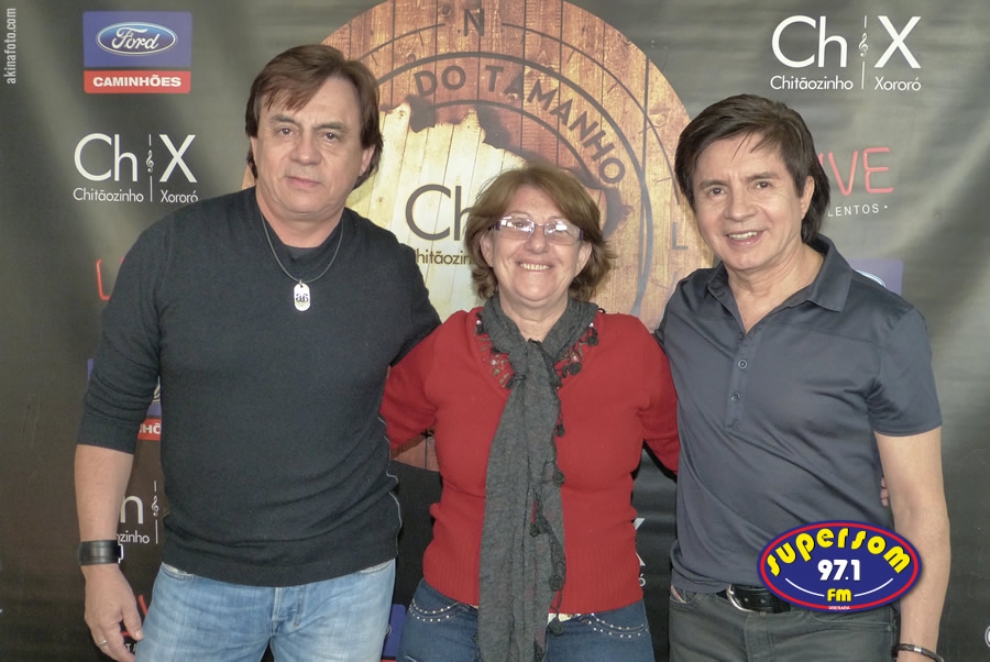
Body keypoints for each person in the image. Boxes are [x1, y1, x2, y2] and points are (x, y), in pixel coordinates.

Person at [74, 44, 439, 662]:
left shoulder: (390, 268)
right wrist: (98, 562)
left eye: (331, 134)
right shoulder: (171, 251)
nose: (305, 152)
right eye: (284, 128)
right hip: (201, 579)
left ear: (365, 157)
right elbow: (110, 414)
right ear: (254, 141)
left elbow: (445, 392)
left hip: (349, 583)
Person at [655, 94, 950, 662]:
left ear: (805, 191)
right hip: (700, 621)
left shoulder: (884, 325)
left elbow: (919, 508)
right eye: (715, 190)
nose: (738, 210)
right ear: (693, 204)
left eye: (761, 183)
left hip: (834, 628)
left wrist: (917, 651)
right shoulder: (687, 308)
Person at [381, 162, 680, 661]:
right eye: (517, 224)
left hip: (601, 627)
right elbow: (360, 444)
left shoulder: (632, 350)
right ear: (486, 245)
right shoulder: (447, 347)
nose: (537, 243)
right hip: (453, 622)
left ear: (583, 254)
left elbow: (694, 460)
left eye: (560, 229)